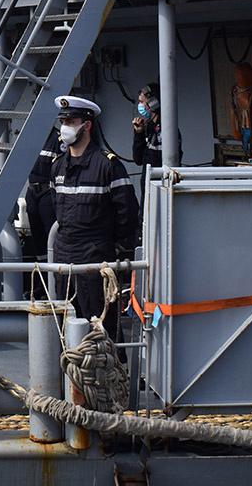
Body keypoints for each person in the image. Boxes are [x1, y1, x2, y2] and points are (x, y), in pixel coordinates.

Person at [50, 96, 139, 346]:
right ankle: (71, 378)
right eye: (63, 121)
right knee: (65, 323)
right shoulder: (58, 167)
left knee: (101, 326)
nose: (65, 127)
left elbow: (128, 212)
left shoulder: (108, 166)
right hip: (64, 256)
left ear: (87, 125)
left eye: (71, 121)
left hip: (95, 256)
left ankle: (107, 376)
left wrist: (113, 244)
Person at [131, 82, 182, 213]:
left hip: (160, 193)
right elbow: (138, 159)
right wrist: (139, 134)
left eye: (142, 102)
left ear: (153, 103)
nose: (140, 106)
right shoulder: (149, 128)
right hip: (148, 192)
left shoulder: (168, 130)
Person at [23, 129, 63, 297]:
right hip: (32, 192)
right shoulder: (30, 136)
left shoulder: (57, 139)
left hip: (48, 193)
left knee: (51, 240)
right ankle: (43, 282)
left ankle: (56, 284)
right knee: (38, 241)